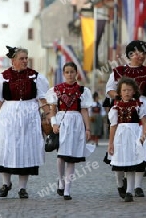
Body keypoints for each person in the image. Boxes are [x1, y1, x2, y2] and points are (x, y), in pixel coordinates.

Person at [0, 46, 49, 199]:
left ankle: (22, 188)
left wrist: (49, 116)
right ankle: (5, 183)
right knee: (6, 148)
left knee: (25, 151)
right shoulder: (3, 77)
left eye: (26, 58)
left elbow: (42, 99)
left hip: (29, 118)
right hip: (8, 117)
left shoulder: (35, 77)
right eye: (22, 58)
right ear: (13, 61)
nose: (25, 61)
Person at [105, 40, 146, 197]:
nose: (141, 56)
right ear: (130, 54)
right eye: (138, 52)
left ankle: (137, 186)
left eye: (144, 53)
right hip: (124, 111)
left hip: (144, 110)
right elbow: (109, 89)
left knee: (141, 145)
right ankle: (124, 177)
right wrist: (122, 97)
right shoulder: (118, 71)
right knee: (123, 145)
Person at [45, 62, 94, 200]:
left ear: (76, 73)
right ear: (63, 73)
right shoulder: (56, 90)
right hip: (62, 122)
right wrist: (54, 124)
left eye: (72, 72)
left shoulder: (83, 91)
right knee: (61, 156)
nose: (70, 74)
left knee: (71, 158)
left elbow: (84, 111)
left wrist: (88, 128)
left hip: (76, 123)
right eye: (67, 72)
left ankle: (67, 189)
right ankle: (60, 180)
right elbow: (52, 110)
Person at [108, 78, 146, 202]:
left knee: (132, 163)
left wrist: (143, 136)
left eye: (129, 90)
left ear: (134, 91)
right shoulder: (116, 107)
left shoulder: (138, 106)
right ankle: (120, 185)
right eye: (124, 90)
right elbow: (113, 126)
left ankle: (129, 191)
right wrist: (111, 143)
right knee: (119, 164)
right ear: (119, 92)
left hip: (134, 135)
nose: (126, 92)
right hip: (120, 137)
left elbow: (145, 122)